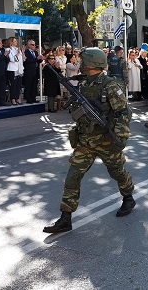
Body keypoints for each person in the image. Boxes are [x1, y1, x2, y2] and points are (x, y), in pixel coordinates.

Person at [43, 47, 135, 234]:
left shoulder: (110, 85)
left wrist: (120, 137)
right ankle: (65, 218)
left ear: (91, 64)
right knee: (73, 175)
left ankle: (128, 197)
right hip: (86, 141)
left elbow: (124, 114)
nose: (81, 64)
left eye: (84, 61)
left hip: (107, 141)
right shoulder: (83, 83)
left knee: (117, 172)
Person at [6, 37, 24, 105]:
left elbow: (22, 59)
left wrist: (22, 53)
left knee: (18, 85)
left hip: (19, 69)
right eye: (15, 41)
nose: (16, 42)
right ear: (11, 42)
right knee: (13, 85)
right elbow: (12, 59)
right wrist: (17, 54)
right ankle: (12, 98)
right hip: (12, 69)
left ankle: (17, 98)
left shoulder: (17, 49)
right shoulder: (8, 49)